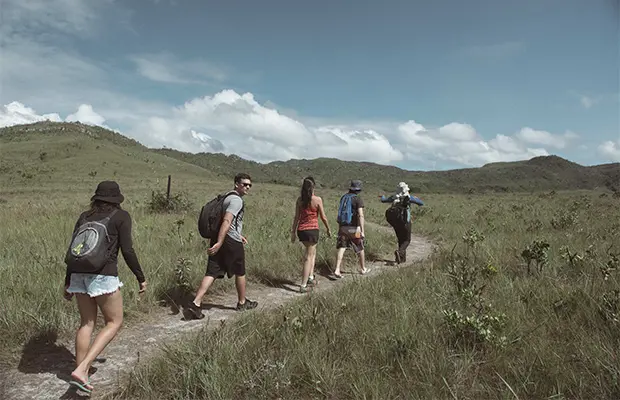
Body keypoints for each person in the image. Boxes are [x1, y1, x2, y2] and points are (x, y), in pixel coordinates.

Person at [63, 181, 147, 394]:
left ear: (97, 198)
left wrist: (68, 281)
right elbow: (127, 250)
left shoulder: (85, 216)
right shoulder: (121, 216)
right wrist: (140, 277)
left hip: (79, 274)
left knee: (86, 323)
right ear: (117, 199)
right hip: (103, 275)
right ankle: (83, 370)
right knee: (114, 322)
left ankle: (81, 373)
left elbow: (75, 248)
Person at [187, 173, 258, 320]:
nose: (247, 187)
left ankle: (196, 303)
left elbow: (229, 224)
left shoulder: (226, 197)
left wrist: (235, 236)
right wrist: (221, 242)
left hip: (220, 237)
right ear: (236, 184)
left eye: (249, 185)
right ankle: (242, 302)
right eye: (244, 184)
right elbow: (226, 221)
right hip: (229, 241)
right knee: (240, 271)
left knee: (212, 272)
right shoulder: (236, 200)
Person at [290, 176, 332, 292]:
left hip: (301, 231)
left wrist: (293, 232)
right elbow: (323, 217)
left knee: (312, 253)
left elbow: (296, 217)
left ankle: (310, 277)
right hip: (312, 231)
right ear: (313, 187)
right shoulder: (317, 200)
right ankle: (303, 285)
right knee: (308, 257)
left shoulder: (299, 200)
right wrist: (328, 229)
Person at [379, 181, 424, 264]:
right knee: (407, 240)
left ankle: (401, 259)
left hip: (396, 222)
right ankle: (400, 252)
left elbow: (384, 200)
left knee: (400, 239)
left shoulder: (393, 197)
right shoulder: (409, 197)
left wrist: (382, 196)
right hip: (406, 221)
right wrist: (416, 198)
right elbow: (421, 203)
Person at [332, 179, 369, 278]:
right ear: (358, 190)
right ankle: (363, 268)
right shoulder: (358, 199)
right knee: (360, 247)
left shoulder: (343, 197)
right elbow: (361, 215)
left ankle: (337, 269)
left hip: (343, 227)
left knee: (342, 247)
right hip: (354, 229)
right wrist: (362, 230)